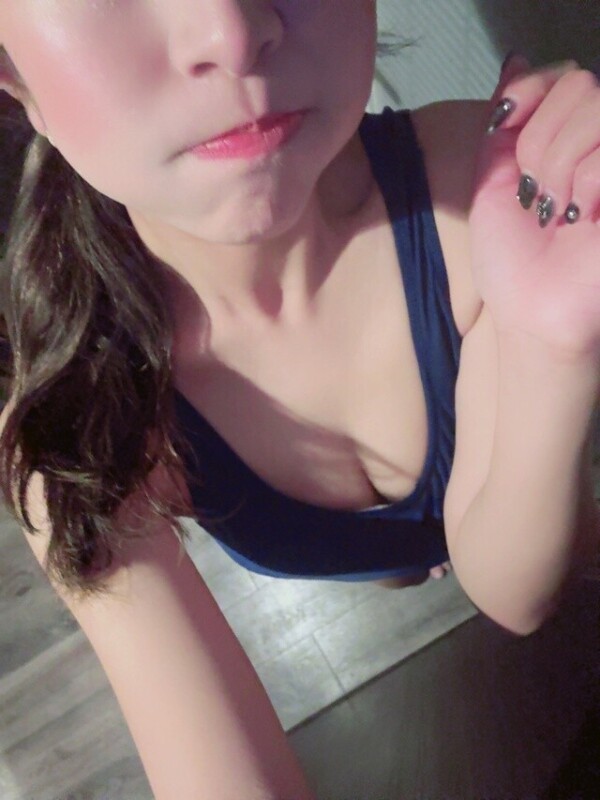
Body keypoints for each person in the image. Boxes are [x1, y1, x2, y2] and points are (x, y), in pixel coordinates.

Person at [0, 3, 599, 799]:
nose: (233, 33)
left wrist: (551, 346)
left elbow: (517, 595)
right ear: (12, 75)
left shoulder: (485, 187)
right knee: (390, 572)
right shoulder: (82, 426)